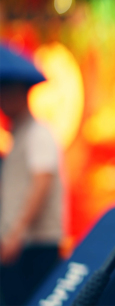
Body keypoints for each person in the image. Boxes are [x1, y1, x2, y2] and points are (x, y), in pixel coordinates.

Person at [0, 47, 63, 305]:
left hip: (35, 246)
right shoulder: (19, 136)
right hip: (22, 244)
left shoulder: (38, 133)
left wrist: (17, 233)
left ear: (17, 93)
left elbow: (42, 182)